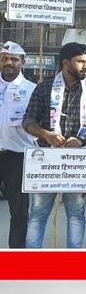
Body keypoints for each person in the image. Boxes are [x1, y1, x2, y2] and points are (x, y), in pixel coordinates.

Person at [23, 42, 86, 248]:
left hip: (78, 161)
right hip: (47, 160)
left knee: (76, 214)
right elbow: (28, 121)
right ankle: (30, 265)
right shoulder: (44, 88)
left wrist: (83, 139)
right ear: (65, 63)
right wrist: (46, 134)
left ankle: (73, 265)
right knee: (38, 214)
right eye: (80, 61)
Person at [0, 41, 37, 248]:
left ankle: (16, 260)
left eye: (14, 59)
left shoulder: (32, 90)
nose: (9, 63)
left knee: (19, 212)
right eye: (4, 58)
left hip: (19, 156)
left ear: (23, 62)